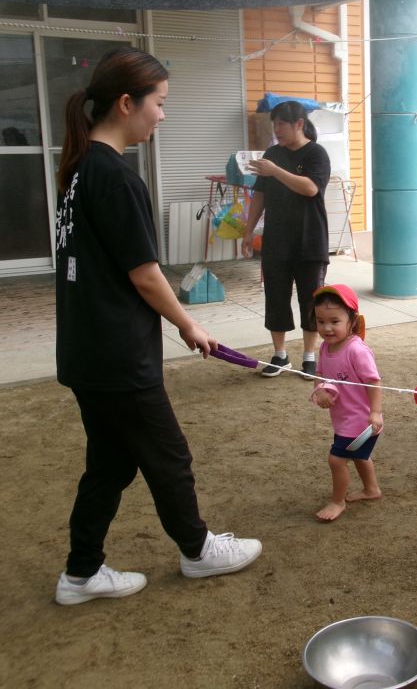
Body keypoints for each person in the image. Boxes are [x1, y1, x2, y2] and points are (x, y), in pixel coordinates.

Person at [53, 48, 261, 606]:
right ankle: (197, 551)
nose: (162, 116)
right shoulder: (115, 177)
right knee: (168, 456)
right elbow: (145, 276)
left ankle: (80, 574)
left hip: (86, 352)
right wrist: (191, 325)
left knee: (110, 464)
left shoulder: (77, 172)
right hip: (118, 356)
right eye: (159, 104)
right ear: (127, 103)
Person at [241, 100, 331, 380]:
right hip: (276, 241)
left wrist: (275, 171)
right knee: (276, 298)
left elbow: (310, 188)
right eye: (274, 124)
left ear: (299, 124)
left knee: (310, 301)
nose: (276, 129)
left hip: (310, 241)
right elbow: (260, 196)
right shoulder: (272, 154)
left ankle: (309, 357)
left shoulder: (317, 154)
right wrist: (248, 230)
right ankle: (280, 356)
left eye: (281, 124)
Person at [308, 284, 384, 522]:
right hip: (343, 419)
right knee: (360, 457)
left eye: (334, 321)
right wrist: (320, 391)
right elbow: (320, 376)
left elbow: (374, 382)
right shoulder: (323, 348)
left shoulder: (357, 351)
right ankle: (372, 490)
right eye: (320, 321)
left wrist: (376, 413)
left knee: (336, 460)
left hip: (361, 422)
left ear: (352, 321)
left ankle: (337, 501)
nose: (326, 328)